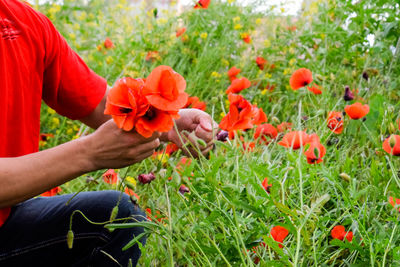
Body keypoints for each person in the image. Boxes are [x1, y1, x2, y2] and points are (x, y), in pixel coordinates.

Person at [0, 1, 217, 266]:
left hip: (6, 221)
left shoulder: (20, 21)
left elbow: (102, 105)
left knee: (118, 219)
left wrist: (168, 121)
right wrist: (89, 154)